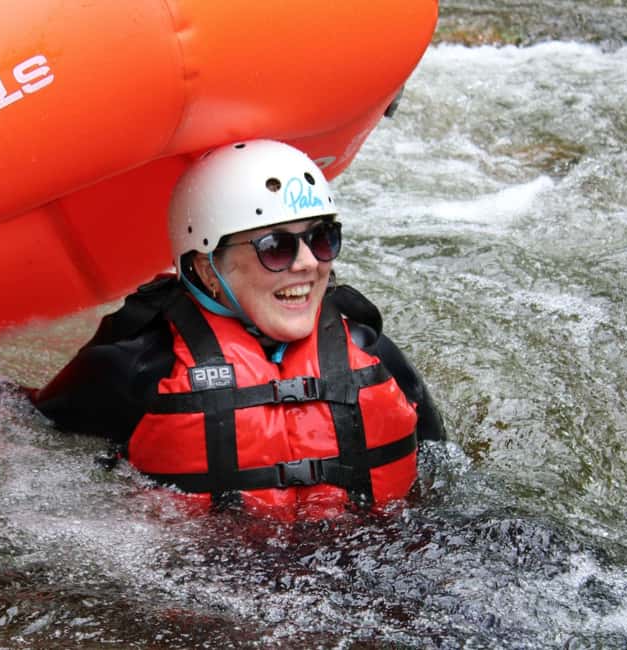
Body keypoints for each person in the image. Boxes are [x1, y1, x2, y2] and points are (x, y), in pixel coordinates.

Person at [31, 139, 444, 519]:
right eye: (275, 248)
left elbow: (444, 471)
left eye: (321, 239)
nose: (307, 263)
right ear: (206, 268)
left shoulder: (370, 351)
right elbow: (30, 437)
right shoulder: (140, 367)